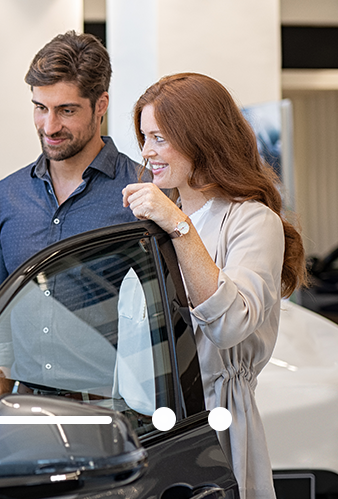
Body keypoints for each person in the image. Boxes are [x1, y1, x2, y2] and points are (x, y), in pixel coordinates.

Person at [122, 72, 306, 499]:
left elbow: (228, 323)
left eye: (160, 138)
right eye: (145, 138)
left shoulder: (250, 221)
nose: (148, 154)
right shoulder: (158, 225)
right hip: (147, 431)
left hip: (212, 430)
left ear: (200, 137)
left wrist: (178, 225)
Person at [0, 31, 143, 402]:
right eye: (41, 108)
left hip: (114, 411)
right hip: (27, 407)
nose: (49, 126)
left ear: (100, 104)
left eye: (66, 110)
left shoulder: (143, 192)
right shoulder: (8, 197)